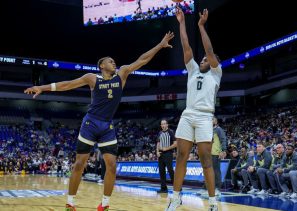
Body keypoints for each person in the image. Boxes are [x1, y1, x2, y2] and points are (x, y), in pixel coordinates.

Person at [24, 32, 174, 211]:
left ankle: (105, 204)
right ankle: (70, 203)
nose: (114, 63)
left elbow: (142, 60)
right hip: (90, 123)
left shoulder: (122, 74)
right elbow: (67, 84)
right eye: (110, 61)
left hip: (107, 126)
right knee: (80, 164)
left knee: (111, 165)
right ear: (102, 65)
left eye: (114, 61)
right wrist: (41, 87)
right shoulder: (92, 78)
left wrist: (159, 45)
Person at [166, 8, 222, 211]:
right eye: (203, 59)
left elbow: (208, 50)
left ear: (215, 62)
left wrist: (200, 25)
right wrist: (181, 22)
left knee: (206, 158)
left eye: (207, 59)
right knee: (181, 156)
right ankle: (175, 198)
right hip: (188, 114)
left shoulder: (216, 73)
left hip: (205, 116)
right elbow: (185, 46)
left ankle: (213, 202)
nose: (203, 60)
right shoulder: (193, 70)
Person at [157, 119, 177, 193]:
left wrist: (167, 148)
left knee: (170, 170)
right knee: (161, 171)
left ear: (167, 124)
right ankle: (163, 188)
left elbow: (175, 144)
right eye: (162, 124)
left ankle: (176, 187)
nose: (163, 125)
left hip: (168, 153)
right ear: (161, 125)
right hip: (161, 155)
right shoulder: (159, 133)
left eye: (164, 124)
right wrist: (157, 152)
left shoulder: (171, 132)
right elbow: (158, 143)